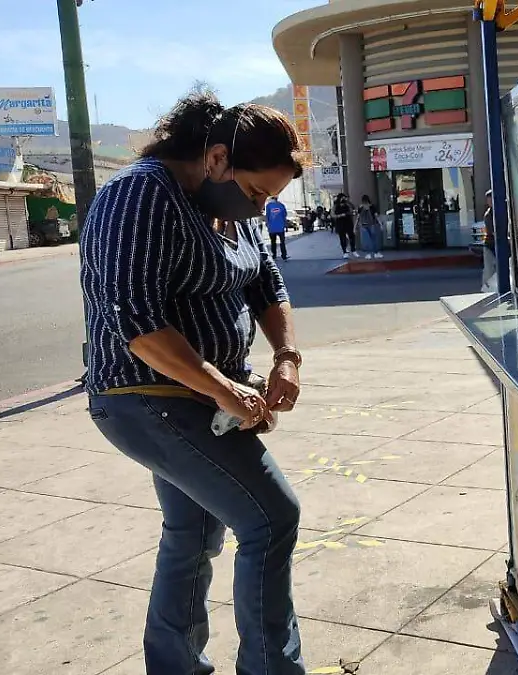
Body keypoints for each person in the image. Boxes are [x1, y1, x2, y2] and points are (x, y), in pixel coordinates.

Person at [78, 87, 308, 675]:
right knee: (270, 517)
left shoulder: (233, 212)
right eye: (255, 191)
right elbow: (137, 323)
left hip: (201, 398)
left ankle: (174, 665)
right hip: (145, 397)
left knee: (193, 530)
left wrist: (286, 355)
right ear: (216, 159)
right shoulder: (138, 196)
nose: (259, 209)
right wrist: (222, 388)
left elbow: (265, 286)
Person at [354, 194, 383, 259]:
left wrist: (355, 227)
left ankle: (368, 254)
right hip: (371, 224)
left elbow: (358, 218)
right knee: (373, 239)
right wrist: (380, 224)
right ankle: (376, 253)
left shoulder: (360, 207)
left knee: (367, 240)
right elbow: (376, 216)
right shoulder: (372, 206)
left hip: (363, 225)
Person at [481, 189, 498, 292]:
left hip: (498, 244)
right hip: (490, 245)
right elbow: (492, 232)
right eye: (488, 200)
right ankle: (485, 290)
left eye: (491, 199)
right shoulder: (488, 215)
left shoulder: (501, 211)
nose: (490, 202)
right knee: (489, 270)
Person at [265, 195, 289, 260]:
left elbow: (267, 216)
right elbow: (285, 215)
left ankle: (274, 255)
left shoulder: (268, 206)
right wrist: (285, 225)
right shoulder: (281, 205)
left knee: (273, 242)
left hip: (272, 228)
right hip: (280, 227)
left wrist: (267, 224)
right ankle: (284, 255)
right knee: (282, 242)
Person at [332, 193, 354, 258]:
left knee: (351, 236)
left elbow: (352, 208)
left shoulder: (347, 204)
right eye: (342, 198)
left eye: (345, 198)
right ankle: (344, 251)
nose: (344, 199)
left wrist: (348, 202)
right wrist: (340, 215)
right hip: (340, 223)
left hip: (348, 222)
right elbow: (333, 215)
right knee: (342, 238)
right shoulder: (336, 206)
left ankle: (352, 249)